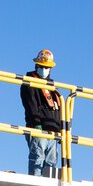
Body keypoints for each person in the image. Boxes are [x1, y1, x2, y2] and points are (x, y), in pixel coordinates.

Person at [20, 49, 63, 178]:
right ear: (36, 65)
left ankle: (48, 184)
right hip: (38, 127)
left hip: (53, 130)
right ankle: (36, 183)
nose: (44, 69)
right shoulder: (29, 82)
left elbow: (59, 108)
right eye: (42, 67)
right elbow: (31, 104)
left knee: (51, 162)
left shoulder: (53, 87)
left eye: (46, 67)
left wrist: (61, 128)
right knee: (38, 158)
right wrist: (36, 123)